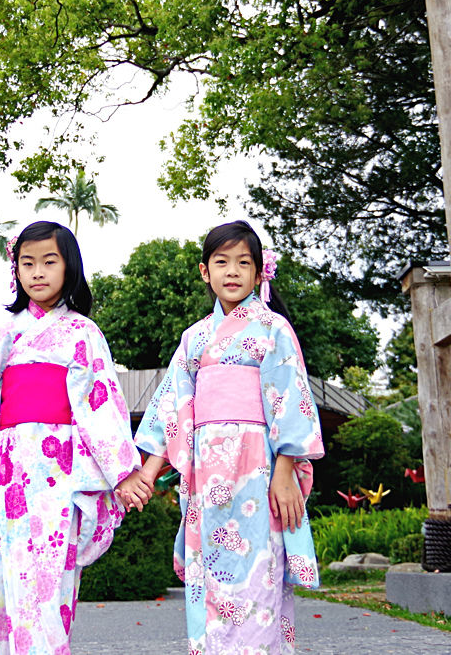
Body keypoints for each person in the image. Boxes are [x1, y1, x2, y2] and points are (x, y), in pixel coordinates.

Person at [128, 219, 325, 654]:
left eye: (243, 262)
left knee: (261, 572)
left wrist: (286, 471)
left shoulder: (274, 329)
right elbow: (173, 405)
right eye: (222, 262)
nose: (232, 271)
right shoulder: (194, 338)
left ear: (259, 273)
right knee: (210, 576)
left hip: (258, 470)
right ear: (205, 271)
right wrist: (148, 471)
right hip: (206, 474)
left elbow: (288, 398)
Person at [0, 220, 150, 655]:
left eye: (50, 261)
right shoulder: (4, 336)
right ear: (17, 271)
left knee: (47, 587)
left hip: (57, 478)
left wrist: (122, 473)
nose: (38, 272)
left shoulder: (83, 333)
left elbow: (99, 408)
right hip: (8, 478)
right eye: (28, 263)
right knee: (5, 589)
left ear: (69, 268)